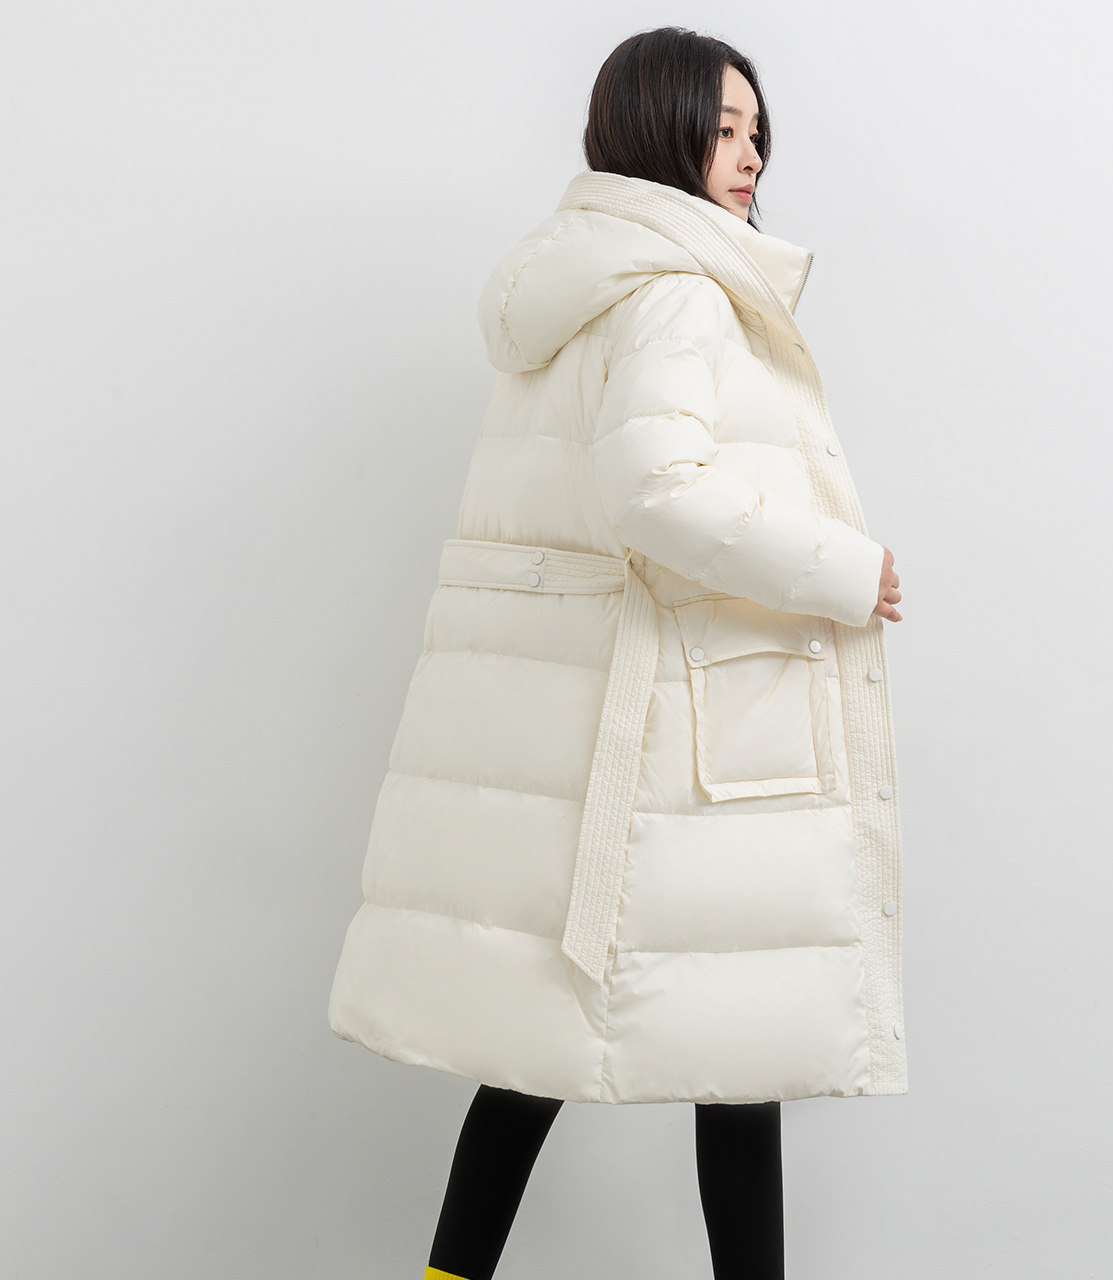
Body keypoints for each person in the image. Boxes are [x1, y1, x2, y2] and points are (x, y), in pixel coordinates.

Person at [328, 25, 907, 1280]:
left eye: (755, 130)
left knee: (540, 1046)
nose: (748, 156)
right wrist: (841, 568)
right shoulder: (679, 290)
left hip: (595, 720)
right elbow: (652, 491)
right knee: (731, 1047)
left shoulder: (582, 282)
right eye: (721, 129)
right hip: (674, 728)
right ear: (656, 128)